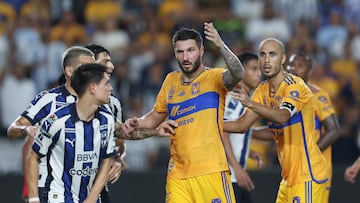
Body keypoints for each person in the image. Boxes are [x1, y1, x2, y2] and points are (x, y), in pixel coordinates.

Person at [7, 46, 169, 203]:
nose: (93, 72)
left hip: (90, 188)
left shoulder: (102, 107)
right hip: (54, 189)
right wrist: (27, 129)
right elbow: (15, 132)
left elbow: (121, 132)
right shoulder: (51, 103)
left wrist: (154, 132)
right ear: (69, 71)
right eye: (86, 67)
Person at [124, 22, 245, 202]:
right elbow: (154, 118)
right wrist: (137, 121)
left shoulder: (214, 77)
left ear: (201, 51)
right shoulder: (171, 80)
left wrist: (220, 45)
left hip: (211, 171)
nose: (186, 57)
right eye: (180, 52)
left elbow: (238, 73)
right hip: (177, 174)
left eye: (190, 50)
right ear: (175, 54)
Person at [224, 38, 328, 203]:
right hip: (287, 178)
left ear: (283, 59)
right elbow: (241, 125)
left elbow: (282, 116)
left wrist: (249, 102)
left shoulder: (296, 86)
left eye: (272, 54)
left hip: (307, 174)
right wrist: (210, 123)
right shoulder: (262, 90)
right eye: (262, 55)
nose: (266, 60)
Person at [26, 63, 116, 203]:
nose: (110, 88)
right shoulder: (57, 120)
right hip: (58, 197)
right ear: (92, 87)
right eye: (106, 84)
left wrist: (92, 197)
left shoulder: (107, 120)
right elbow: (33, 157)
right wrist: (33, 199)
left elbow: (107, 158)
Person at [286, 52, 341, 201]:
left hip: (314, 171)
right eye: (291, 64)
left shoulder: (316, 95)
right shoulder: (286, 95)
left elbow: (334, 130)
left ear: (310, 71)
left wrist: (309, 155)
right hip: (294, 171)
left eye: (300, 66)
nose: (293, 69)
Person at [222, 52, 262, 203]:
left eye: (259, 70)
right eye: (253, 69)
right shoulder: (234, 98)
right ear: (241, 71)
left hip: (235, 174)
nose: (259, 74)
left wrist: (248, 152)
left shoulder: (244, 98)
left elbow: (234, 132)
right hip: (230, 175)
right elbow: (222, 131)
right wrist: (237, 168)